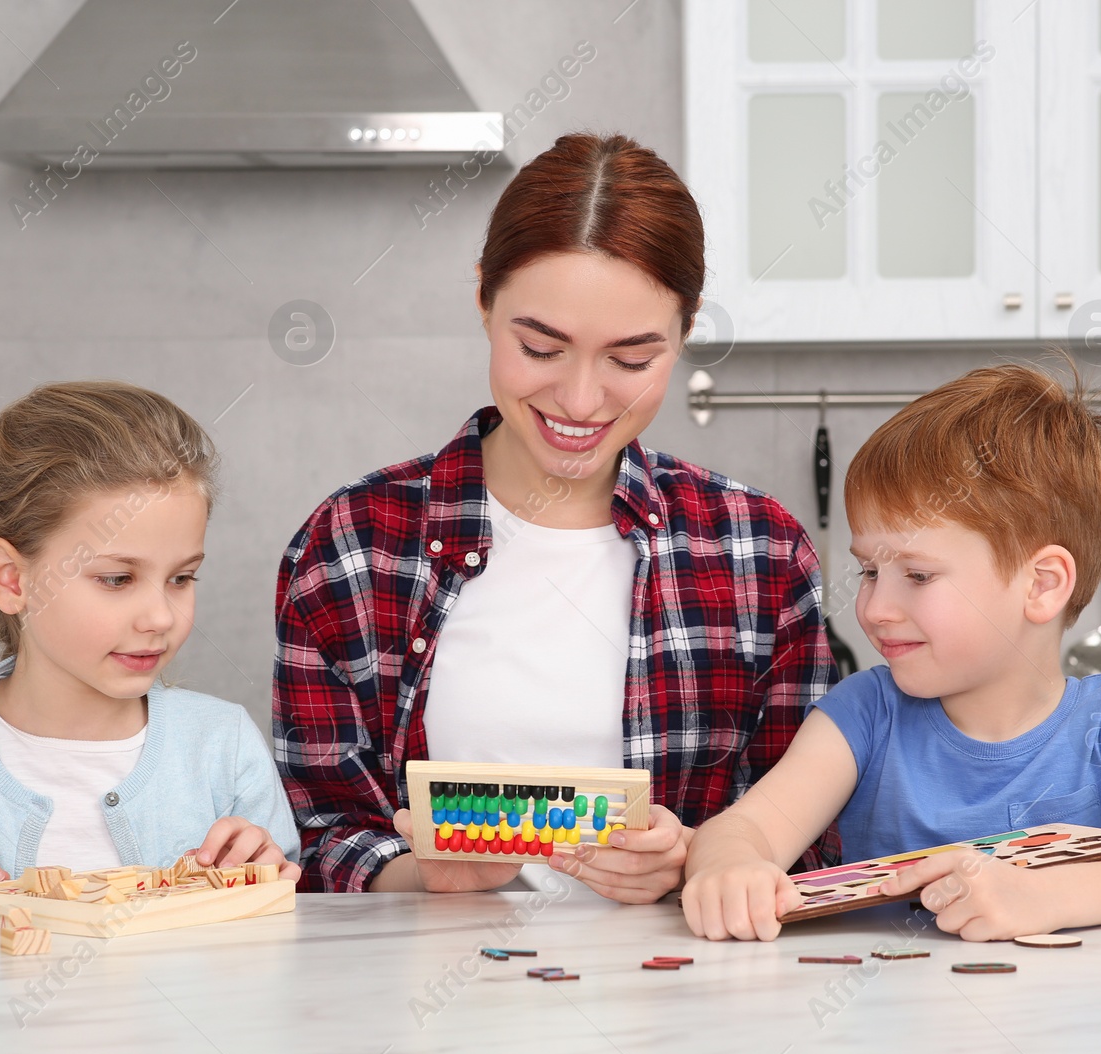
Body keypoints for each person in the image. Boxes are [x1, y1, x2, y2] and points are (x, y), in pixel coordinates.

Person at [273, 132, 840, 901]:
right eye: (541, 346)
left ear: (687, 330)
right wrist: (423, 873)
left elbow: (811, 846)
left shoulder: (760, 552)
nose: (580, 400)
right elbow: (314, 839)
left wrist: (698, 859)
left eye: (632, 360)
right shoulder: (352, 545)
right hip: (421, 1001)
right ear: (483, 299)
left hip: (683, 1005)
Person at [682, 362, 1101, 941]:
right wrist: (728, 866)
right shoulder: (865, 714)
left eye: (917, 575)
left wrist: (1041, 896)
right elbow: (743, 831)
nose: (874, 608)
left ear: (1041, 585)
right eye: (870, 570)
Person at [0, 381, 299, 903]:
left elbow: (278, 910)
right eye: (117, 579)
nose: (159, 617)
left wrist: (266, 868)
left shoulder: (222, 744)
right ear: (12, 579)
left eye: (181, 578)